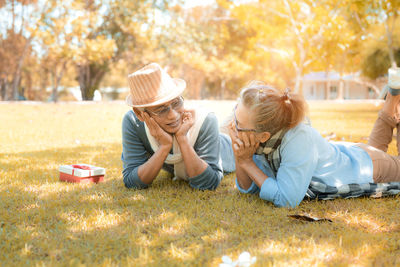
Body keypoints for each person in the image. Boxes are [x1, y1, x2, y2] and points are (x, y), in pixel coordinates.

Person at [229, 74, 400, 208]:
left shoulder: (298, 139)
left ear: (264, 135)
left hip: (367, 165)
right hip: (353, 154)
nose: (232, 126)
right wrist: (241, 159)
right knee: (375, 148)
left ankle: (393, 98)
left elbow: (287, 200)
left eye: (238, 124)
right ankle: (393, 97)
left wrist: (247, 163)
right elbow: (248, 189)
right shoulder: (262, 141)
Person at [121, 63, 233, 190]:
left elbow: (208, 183)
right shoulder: (133, 122)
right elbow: (132, 182)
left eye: (176, 103)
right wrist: (164, 147)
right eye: (160, 110)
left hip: (229, 144)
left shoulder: (206, 121)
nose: (173, 115)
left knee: (238, 120)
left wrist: (183, 139)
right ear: (140, 114)